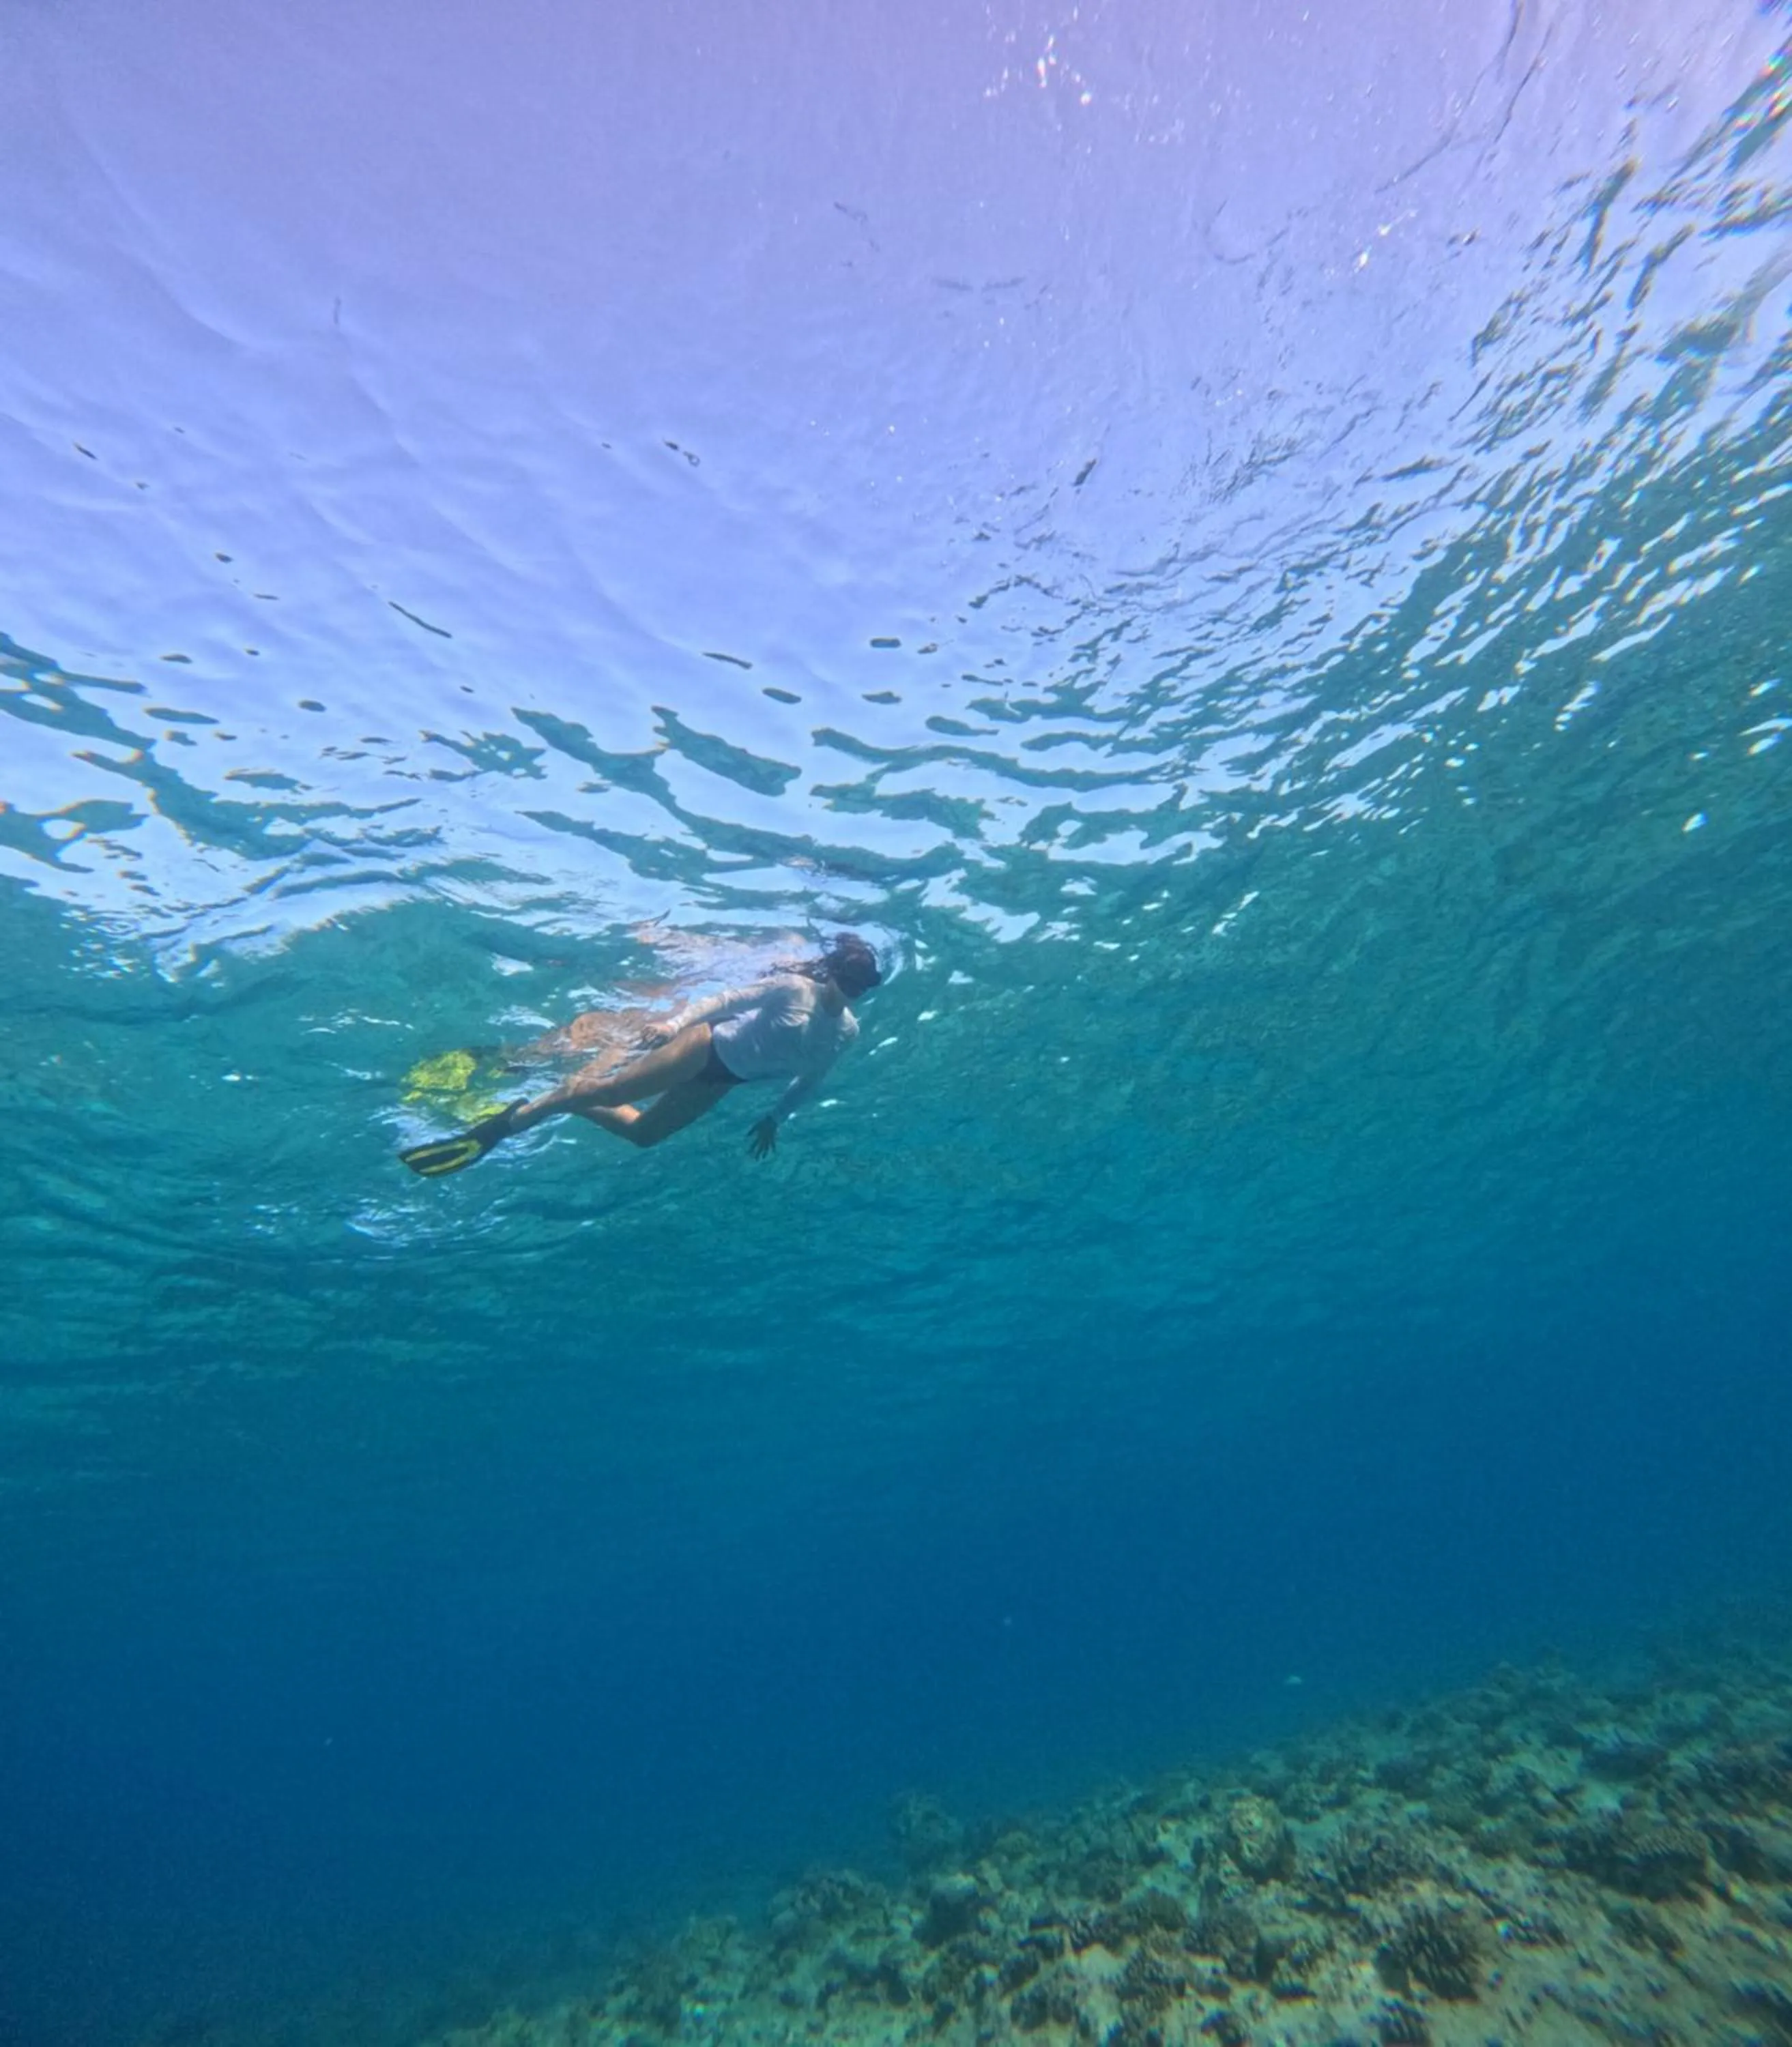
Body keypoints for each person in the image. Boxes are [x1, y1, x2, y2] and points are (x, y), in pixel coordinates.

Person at [399, 933, 883, 1177]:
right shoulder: (792, 987)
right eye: (851, 982)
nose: (854, 993)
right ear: (833, 974)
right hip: (703, 1048)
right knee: (611, 1088)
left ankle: (558, 1097)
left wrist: (776, 1117)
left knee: (644, 1135)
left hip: (723, 1079)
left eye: (863, 988)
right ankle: (500, 1129)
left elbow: (813, 1079)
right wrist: (674, 1024)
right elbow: (725, 1001)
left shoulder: (847, 1032)